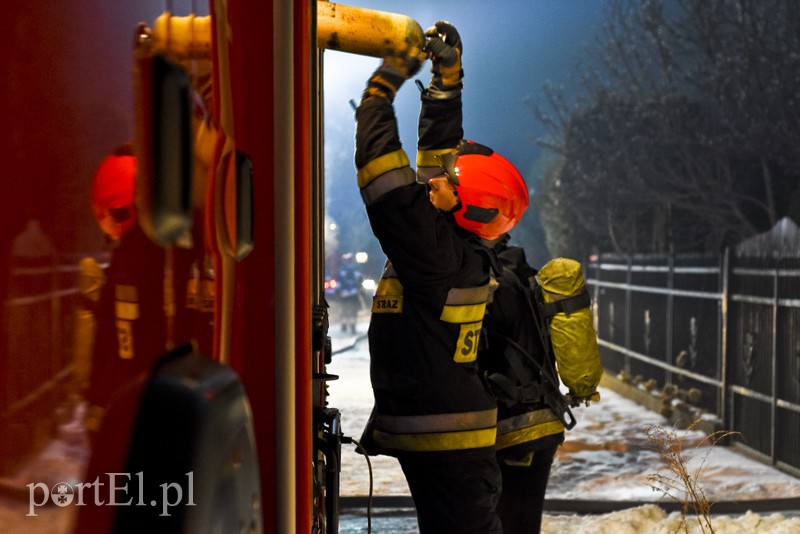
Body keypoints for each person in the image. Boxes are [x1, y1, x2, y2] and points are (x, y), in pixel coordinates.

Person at [355, 20, 529, 533]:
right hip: (449, 434)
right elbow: (440, 160)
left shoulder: (436, 254)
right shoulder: (458, 241)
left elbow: (385, 176)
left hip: (446, 438)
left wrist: (379, 92)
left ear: (466, 206)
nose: (433, 182)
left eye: (446, 183)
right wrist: (446, 83)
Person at [479, 236, 568, 534]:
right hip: (544, 416)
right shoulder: (529, 279)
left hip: (512, 424)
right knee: (525, 519)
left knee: (505, 519)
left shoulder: (493, 286)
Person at [84, 144, 169, 435]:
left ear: (117, 210)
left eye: (102, 212)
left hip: (126, 403)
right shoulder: (151, 250)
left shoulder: (130, 265)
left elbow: (125, 345)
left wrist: (102, 402)